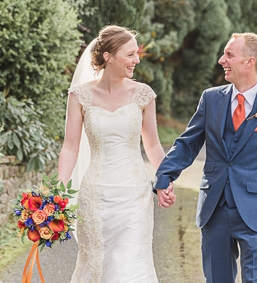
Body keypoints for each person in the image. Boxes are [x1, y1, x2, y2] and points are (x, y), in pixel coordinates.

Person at [154, 32, 257, 283]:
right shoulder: (210, 99)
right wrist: (164, 176)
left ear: (249, 61)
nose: (222, 60)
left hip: (256, 210)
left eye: (229, 54)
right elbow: (187, 144)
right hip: (215, 208)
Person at [57, 25, 175, 283]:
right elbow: (70, 146)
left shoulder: (143, 94)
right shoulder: (80, 96)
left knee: (129, 266)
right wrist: (59, 190)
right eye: (130, 54)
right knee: (97, 266)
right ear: (108, 56)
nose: (137, 60)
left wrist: (165, 180)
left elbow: (153, 145)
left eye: (137, 54)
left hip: (134, 195)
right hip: (95, 195)